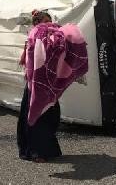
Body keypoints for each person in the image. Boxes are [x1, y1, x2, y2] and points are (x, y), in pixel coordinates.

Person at [17, 10, 88, 163]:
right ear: (38, 23)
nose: (50, 24)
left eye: (50, 20)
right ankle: (36, 152)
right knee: (38, 117)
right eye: (46, 21)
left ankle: (48, 150)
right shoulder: (35, 35)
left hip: (48, 84)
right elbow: (31, 62)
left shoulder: (52, 35)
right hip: (36, 85)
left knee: (50, 117)